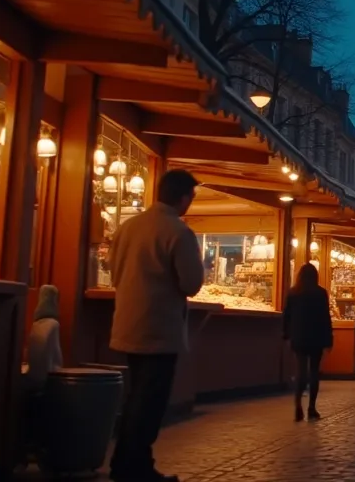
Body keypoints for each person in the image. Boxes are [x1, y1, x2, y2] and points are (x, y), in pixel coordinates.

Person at [108, 170, 204, 482]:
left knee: (136, 397)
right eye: (191, 197)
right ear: (184, 197)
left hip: (126, 325)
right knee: (149, 402)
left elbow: (113, 273)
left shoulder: (128, 227)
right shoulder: (178, 232)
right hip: (159, 329)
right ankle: (133, 468)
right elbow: (191, 283)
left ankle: (127, 463)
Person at [283, 263, 333, 421]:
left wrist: (286, 334)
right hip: (316, 337)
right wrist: (329, 338)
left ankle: (297, 404)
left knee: (300, 370)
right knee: (314, 372)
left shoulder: (293, 293)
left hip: (299, 336)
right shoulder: (320, 293)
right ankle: (312, 407)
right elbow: (326, 318)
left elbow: (287, 315)